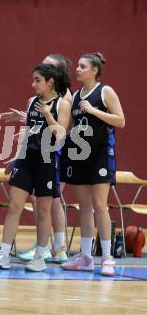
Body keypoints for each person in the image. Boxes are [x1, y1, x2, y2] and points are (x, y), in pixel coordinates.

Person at [0, 63, 70, 272]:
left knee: (43, 211)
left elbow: (60, 134)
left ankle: (40, 256)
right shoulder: (31, 101)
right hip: (27, 159)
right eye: (33, 79)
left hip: (47, 160)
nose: (33, 84)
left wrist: (47, 114)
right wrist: (16, 157)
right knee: (14, 207)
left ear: (50, 82)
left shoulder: (62, 104)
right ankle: (4, 254)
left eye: (37, 80)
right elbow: (29, 133)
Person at [61, 52, 125, 277]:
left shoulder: (105, 91)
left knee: (100, 206)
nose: (77, 69)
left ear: (94, 70)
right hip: (80, 155)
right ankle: (86, 257)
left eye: (82, 66)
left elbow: (121, 120)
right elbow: (67, 127)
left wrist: (94, 110)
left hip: (100, 154)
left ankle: (107, 258)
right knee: (84, 208)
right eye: (77, 66)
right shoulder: (76, 95)